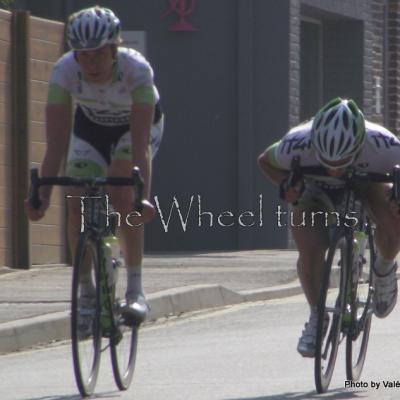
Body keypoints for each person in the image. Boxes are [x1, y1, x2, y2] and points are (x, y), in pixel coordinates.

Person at [24, 6, 164, 325]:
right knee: (75, 198)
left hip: (135, 128)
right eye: (82, 55)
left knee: (122, 193)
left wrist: (142, 197)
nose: (90, 63)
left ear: (115, 48)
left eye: (98, 54)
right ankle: (86, 292)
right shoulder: (64, 71)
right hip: (90, 127)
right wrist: (41, 196)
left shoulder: (136, 70)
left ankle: (136, 291)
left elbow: (140, 145)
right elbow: (56, 144)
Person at [258, 97, 399, 357]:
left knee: (394, 220)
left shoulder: (384, 144)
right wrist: (287, 184)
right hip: (315, 189)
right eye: (327, 161)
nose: (334, 169)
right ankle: (317, 315)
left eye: (342, 161)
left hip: (368, 183)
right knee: (309, 246)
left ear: (359, 145)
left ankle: (384, 268)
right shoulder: (296, 142)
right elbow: (265, 161)